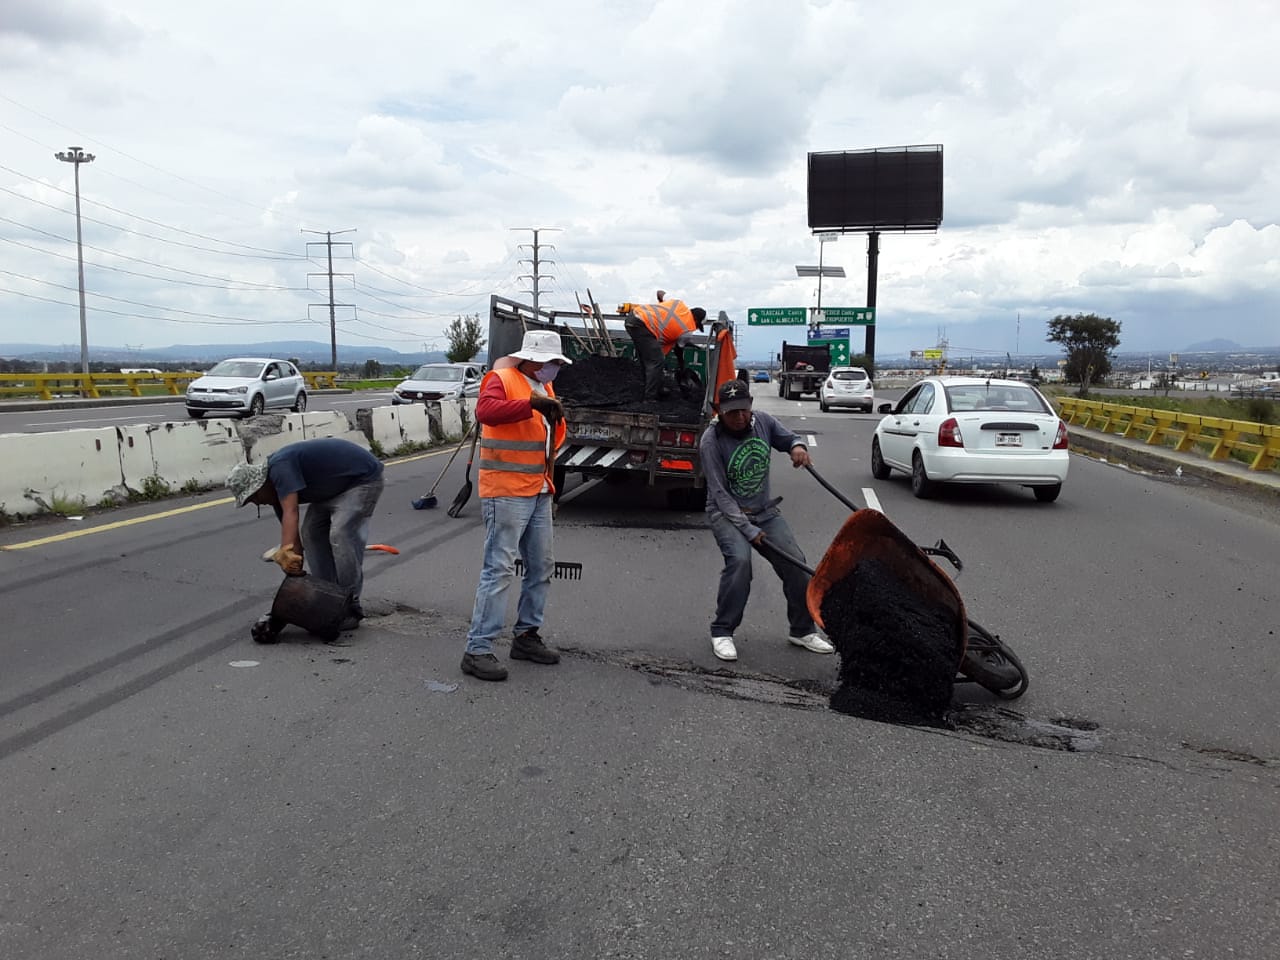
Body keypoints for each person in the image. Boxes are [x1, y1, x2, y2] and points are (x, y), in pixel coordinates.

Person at [460, 329, 570, 682]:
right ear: (533, 359)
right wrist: (532, 405)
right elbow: (486, 411)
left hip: (538, 488)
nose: (555, 368)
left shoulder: (544, 386)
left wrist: (556, 417)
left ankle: (526, 636)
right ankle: (477, 649)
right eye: (552, 362)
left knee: (541, 565)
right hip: (506, 490)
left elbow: (545, 437)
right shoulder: (502, 378)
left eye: (557, 363)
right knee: (500, 568)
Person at [699, 379, 835, 662]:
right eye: (731, 412)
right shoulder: (710, 441)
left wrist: (797, 446)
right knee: (740, 563)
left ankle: (802, 630)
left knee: (796, 564)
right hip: (728, 514)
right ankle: (722, 630)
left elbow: (787, 438)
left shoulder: (763, 422)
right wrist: (749, 531)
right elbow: (720, 495)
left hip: (765, 511)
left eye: (742, 411)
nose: (738, 418)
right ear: (720, 412)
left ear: (750, 407)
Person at [227, 437, 385, 631]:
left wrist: (286, 553)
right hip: (333, 488)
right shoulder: (276, 492)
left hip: (361, 480)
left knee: (341, 534)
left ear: (260, 485)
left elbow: (292, 513)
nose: (257, 503)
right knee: (311, 533)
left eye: (254, 498)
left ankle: (351, 605)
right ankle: (329, 598)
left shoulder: (280, 468)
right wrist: (294, 563)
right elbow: (292, 536)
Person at [620, 299, 706, 401]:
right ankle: (650, 398)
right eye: (697, 326)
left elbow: (669, 323)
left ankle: (656, 387)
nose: (695, 328)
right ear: (696, 320)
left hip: (634, 317)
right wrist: (682, 365)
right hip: (643, 326)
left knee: (648, 359)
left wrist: (689, 344)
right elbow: (678, 349)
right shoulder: (687, 329)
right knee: (656, 361)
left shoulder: (679, 304)